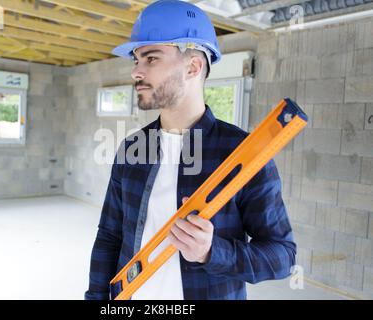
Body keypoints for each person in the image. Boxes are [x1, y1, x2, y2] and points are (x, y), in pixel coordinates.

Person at [85, 0, 296, 300]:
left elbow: (283, 257)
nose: (135, 72)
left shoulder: (243, 154)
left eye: (151, 58)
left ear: (193, 67)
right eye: (135, 60)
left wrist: (213, 252)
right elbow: (109, 237)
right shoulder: (132, 149)